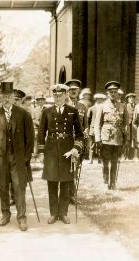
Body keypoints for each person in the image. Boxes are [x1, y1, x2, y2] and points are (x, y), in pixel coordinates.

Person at [0, 82, 34, 231]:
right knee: (3, 186)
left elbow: (30, 138)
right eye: (4, 96)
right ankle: (5, 215)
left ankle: (22, 218)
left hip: (18, 158)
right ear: (0, 97)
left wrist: (26, 158)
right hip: (1, 158)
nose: (6, 99)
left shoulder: (24, 114)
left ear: (14, 97)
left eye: (9, 96)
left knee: (19, 187)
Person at [37, 84, 84, 224]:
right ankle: (53, 213)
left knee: (65, 182)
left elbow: (80, 135)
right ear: (53, 96)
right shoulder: (46, 112)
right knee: (52, 182)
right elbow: (41, 133)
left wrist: (76, 149)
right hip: (51, 150)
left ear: (66, 95)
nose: (58, 97)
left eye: (60, 95)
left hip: (67, 150)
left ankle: (63, 213)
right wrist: (40, 152)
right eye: (55, 95)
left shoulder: (73, 111)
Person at [94, 81, 130, 190]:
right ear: (107, 93)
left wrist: (127, 138)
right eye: (111, 92)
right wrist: (98, 138)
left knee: (115, 161)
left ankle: (113, 182)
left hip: (118, 137)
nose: (113, 93)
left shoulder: (123, 106)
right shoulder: (102, 106)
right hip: (105, 137)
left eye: (115, 91)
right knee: (105, 161)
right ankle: (105, 182)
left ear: (117, 92)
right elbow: (97, 124)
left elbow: (126, 124)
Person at [65, 79, 88, 204]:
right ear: (67, 91)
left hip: (77, 142)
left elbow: (85, 126)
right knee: (64, 167)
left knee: (76, 167)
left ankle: (72, 195)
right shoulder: (63, 105)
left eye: (76, 89)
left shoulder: (82, 107)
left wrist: (85, 140)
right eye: (71, 89)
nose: (73, 91)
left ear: (79, 91)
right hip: (65, 141)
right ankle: (64, 194)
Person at [87, 93, 107, 163]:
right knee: (92, 145)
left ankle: (99, 159)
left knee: (100, 145)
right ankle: (91, 159)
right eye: (98, 99)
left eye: (101, 99)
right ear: (96, 100)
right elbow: (88, 120)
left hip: (101, 129)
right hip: (92, 129)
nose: (100, 101)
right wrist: (89, 129)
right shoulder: (91, 109)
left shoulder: (104, 108)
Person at [125, 93, 137, 160]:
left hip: (135, 126)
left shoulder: (137, 106)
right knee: (127, 140)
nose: (131, 99)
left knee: (135, 140)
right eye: (130, 98)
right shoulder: (125, 106)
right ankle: (126, 157)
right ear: (128, 99)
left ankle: (135, 157)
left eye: (132, 98)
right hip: (128, 125)